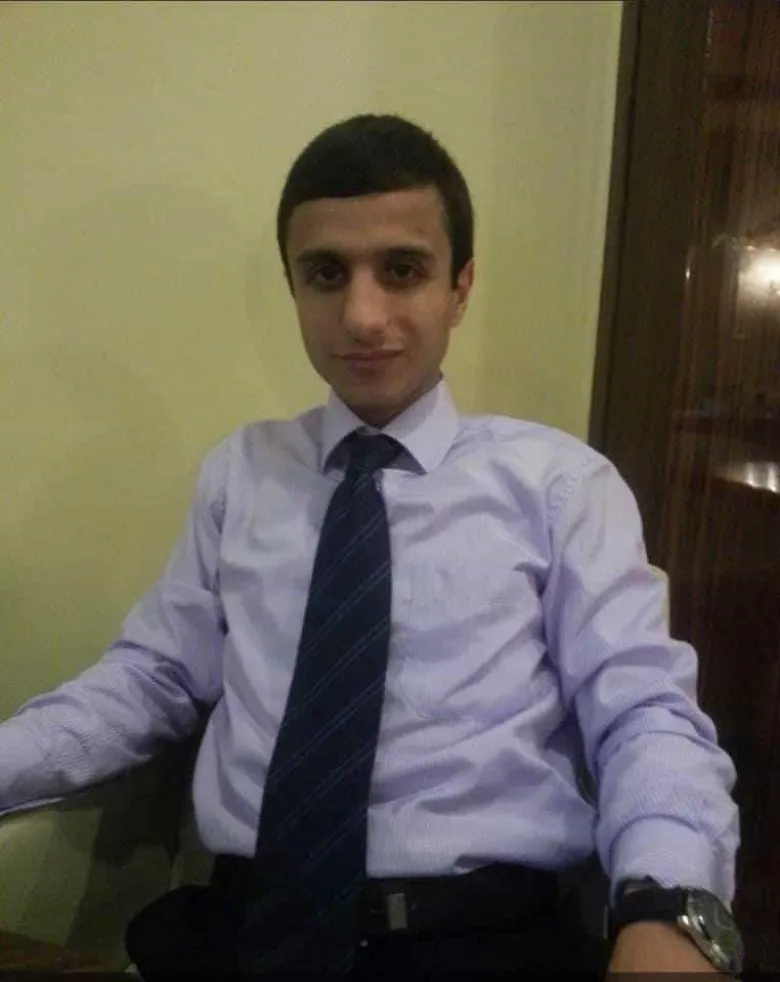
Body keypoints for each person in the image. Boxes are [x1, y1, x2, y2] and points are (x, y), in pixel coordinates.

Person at [0, 114, 741, 977]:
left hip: (478, 941)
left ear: (460, 287)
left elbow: (641, 712)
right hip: (242, 930)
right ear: (293, 286)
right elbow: (152, 679)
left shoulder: (559, 487)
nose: (362, 315)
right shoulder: (241, 473)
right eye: (326, 273)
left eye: (403, 270)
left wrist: (669, 907)